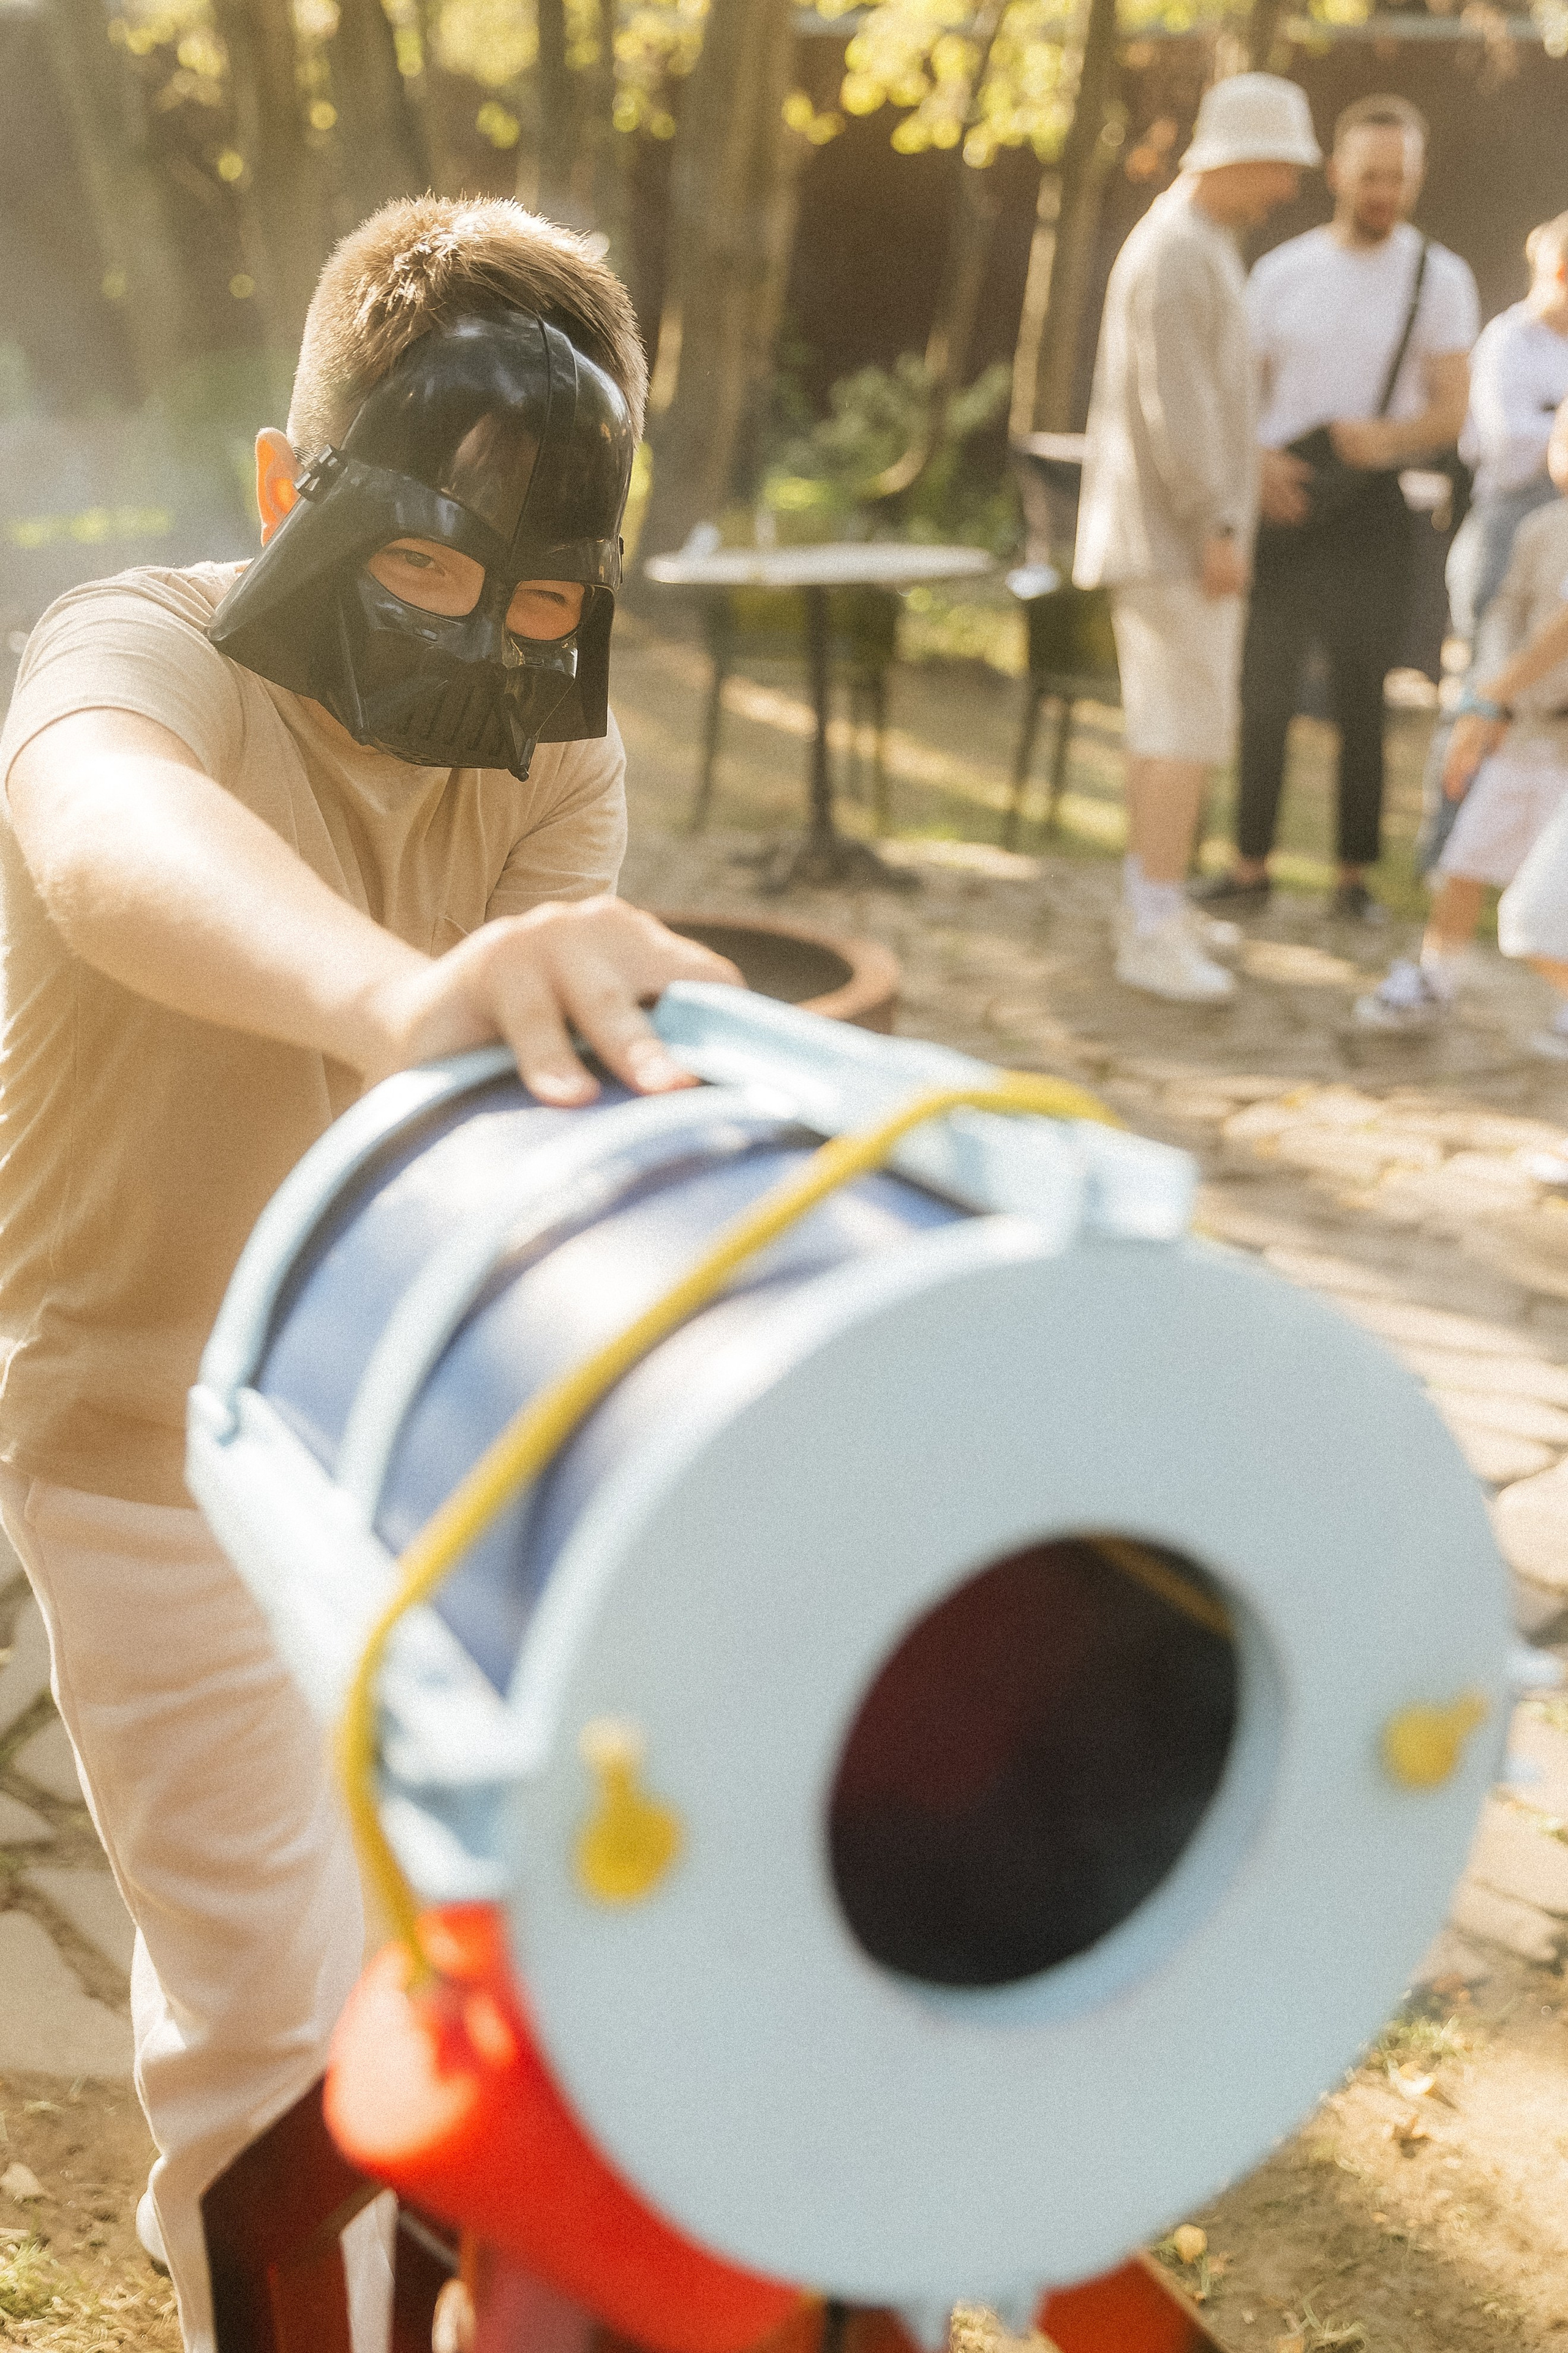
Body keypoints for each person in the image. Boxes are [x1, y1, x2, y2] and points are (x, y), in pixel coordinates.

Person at [0, 195, 739, 2353]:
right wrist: (395, 993)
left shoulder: (551, 740)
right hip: (144, 1444)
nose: (472, 632)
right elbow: (101, 839)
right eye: (418, 557)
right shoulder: (134, 649)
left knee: (450, 1974)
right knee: (271, 2041)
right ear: (280, 490)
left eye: (535, 595)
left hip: (414, 1433)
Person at [1196, 94, 1479, 923]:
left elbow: (1452, 409)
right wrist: (1254, 467)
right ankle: (1249, 867)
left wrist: (1381, 443)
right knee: (1265, 690)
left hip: (1371, 510)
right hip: (1281, 497)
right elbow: (1233, 397)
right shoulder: (1283, 271)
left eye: (1400, 176)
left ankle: (1353, 878)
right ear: (1337, 174)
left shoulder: (1441, 277)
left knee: (1363, 697)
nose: (1385, 190)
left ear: (1417, 177)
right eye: (1371, 175)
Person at [1074, 72, 1321, 1003]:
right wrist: (1220, 520)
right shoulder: (1178, 250)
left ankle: (1155, 901)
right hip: (1177, 538)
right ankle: (1151, 924)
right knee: (1180, 732)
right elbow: (1174, 410)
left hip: (1178, 529)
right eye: (1281, 167)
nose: (1289, 189)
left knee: (1168, 728)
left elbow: (1209, 398)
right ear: (1239, 158)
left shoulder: (1197, 243)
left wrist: (1250, 468)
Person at [1352, 397, 1568, 1038]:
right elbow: (1509, 616)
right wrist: (1493, 701)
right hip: (1523, 731)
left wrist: (1485, 702)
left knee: (1538, 910)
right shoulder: (1539, 530)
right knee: (1470, 857)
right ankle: (1435, 975)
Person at [1449, 210, 1568, 642]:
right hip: (1508, 527)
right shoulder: (1508, 341)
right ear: (1561, 271)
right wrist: (1562, 433)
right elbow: (1509, 450)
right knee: (1490, 670)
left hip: (1565, 529)